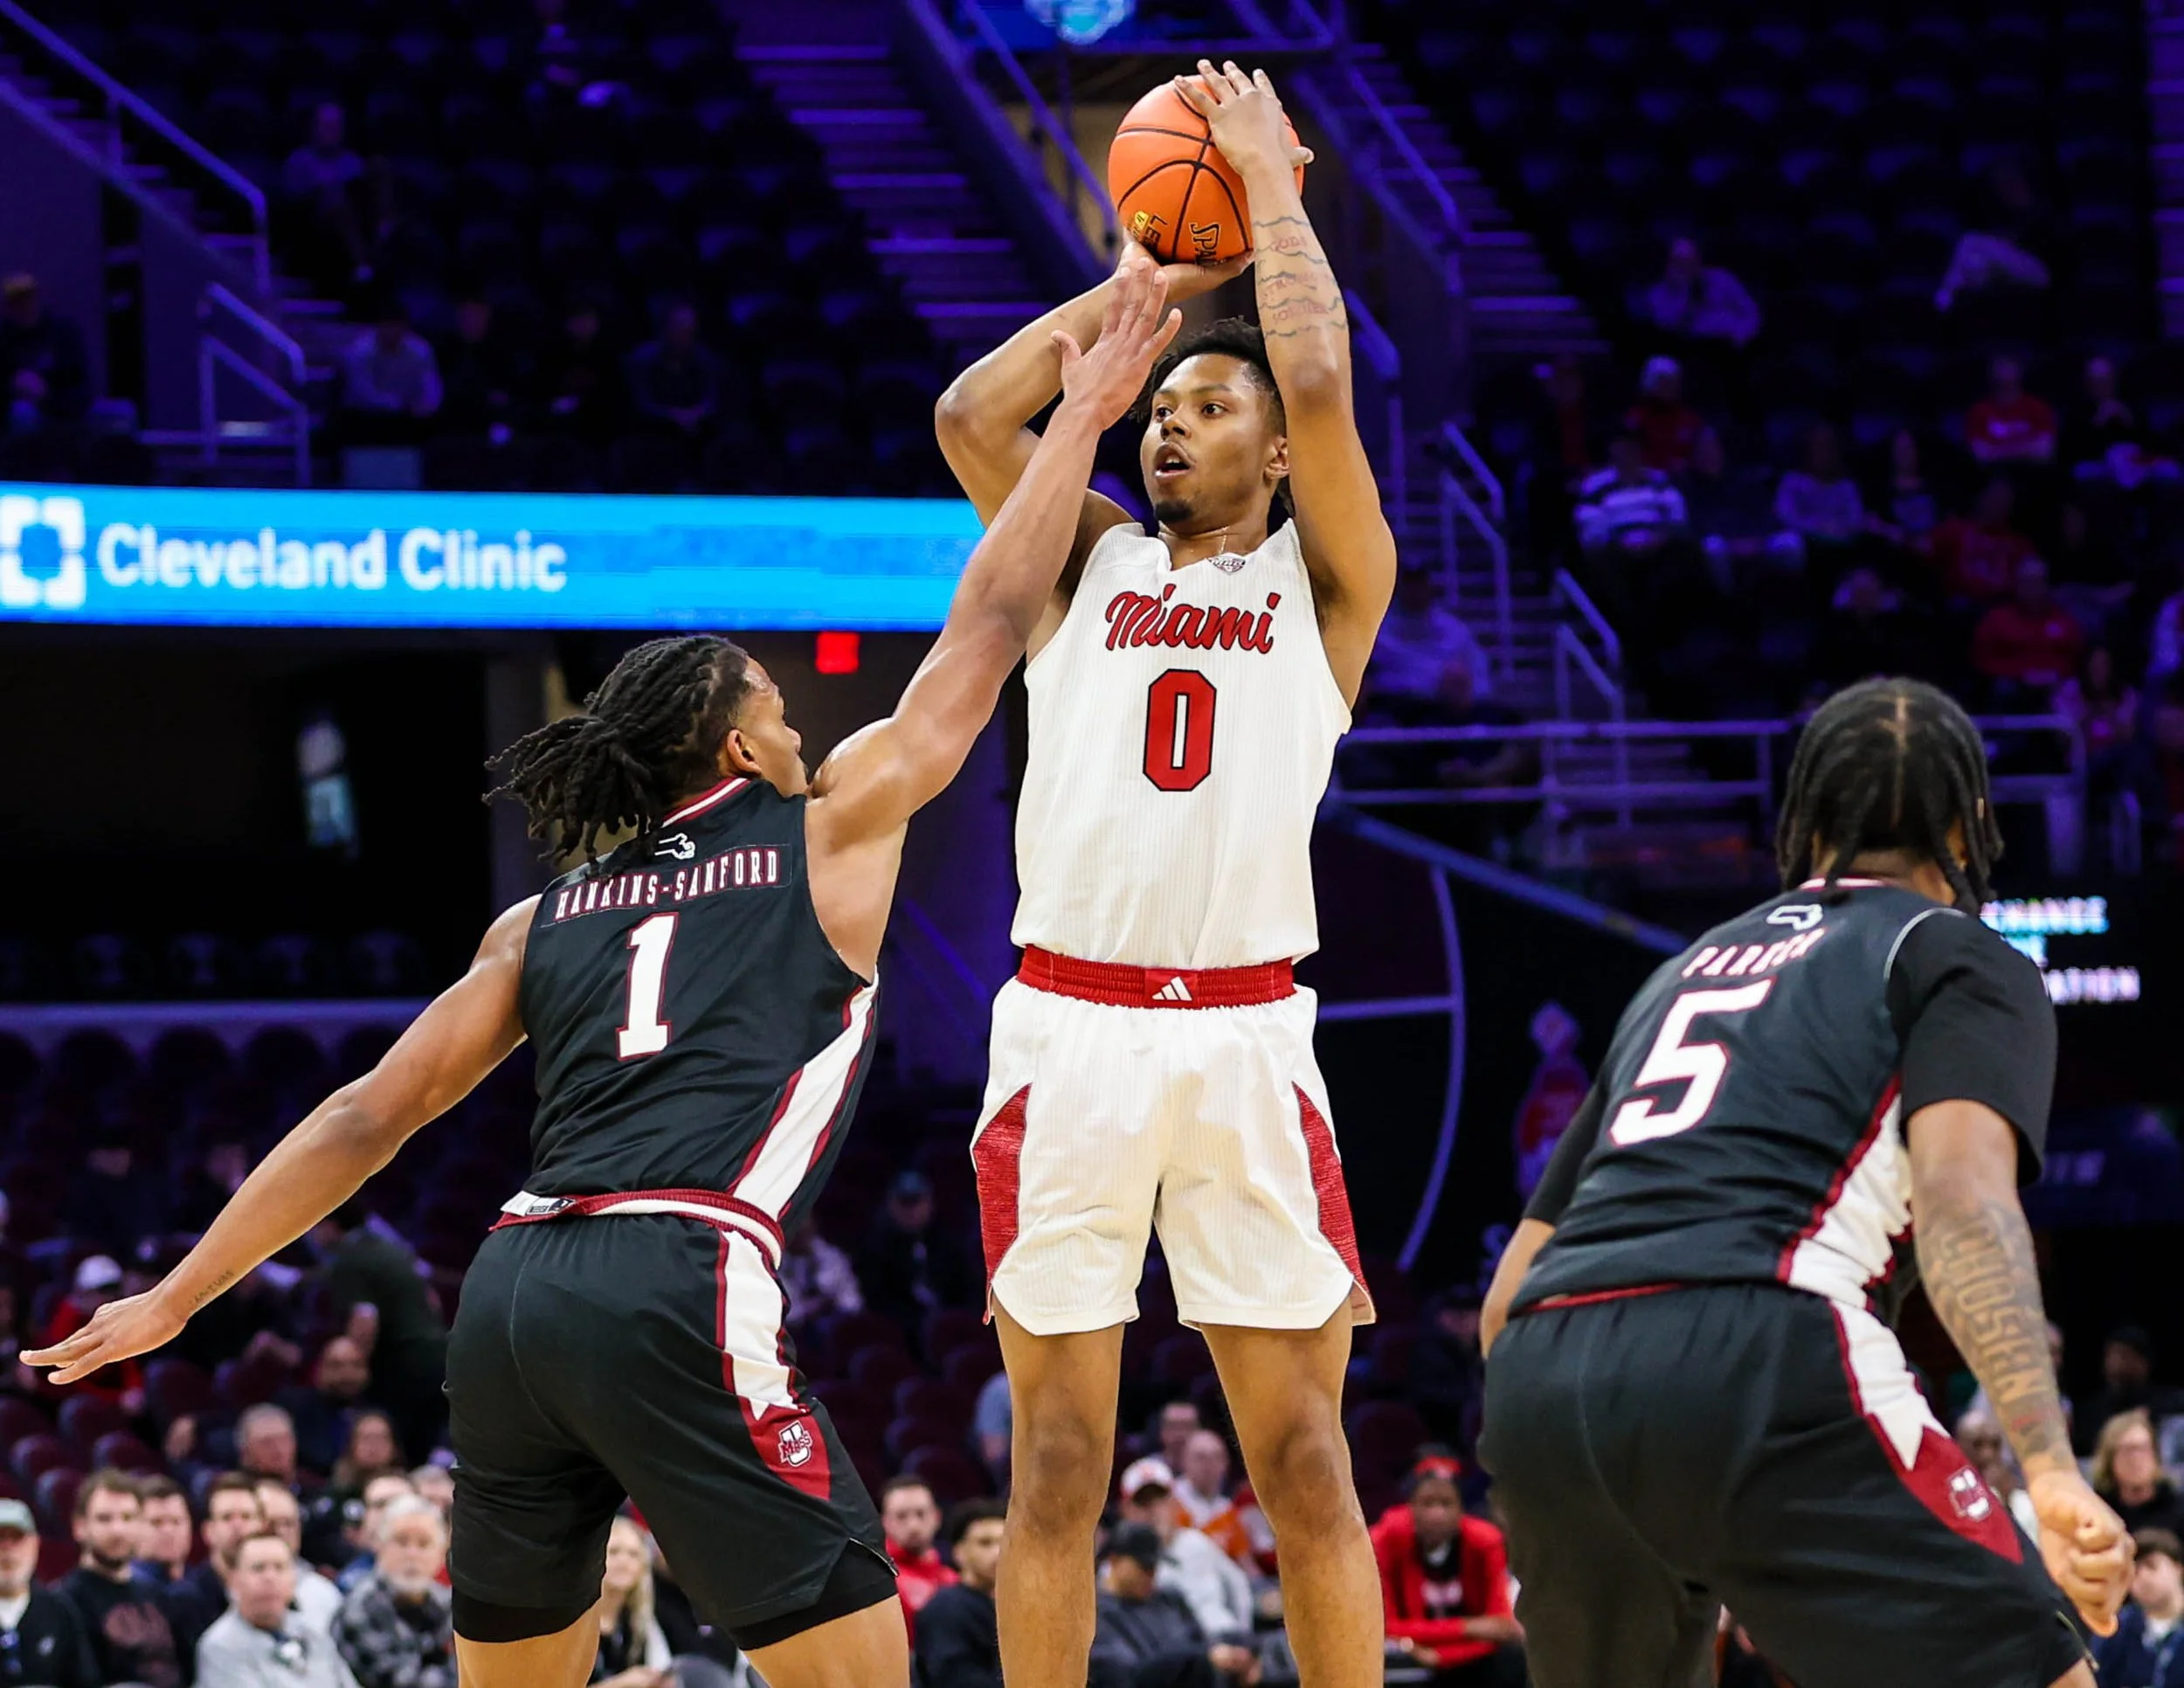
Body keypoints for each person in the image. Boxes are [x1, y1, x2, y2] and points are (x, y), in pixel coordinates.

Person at [28, 250, 1188, 1688]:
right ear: (739, 751)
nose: (799, 728)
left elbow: (362, 1117)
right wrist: (1083, 413)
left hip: (512, 1292)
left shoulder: (542, 915)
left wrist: (179, 1295)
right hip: (677, 1264)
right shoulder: (828, 830)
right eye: (778, 708)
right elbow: (995, 617)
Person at [936, 59, 1393, 1688]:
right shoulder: (1089, 555)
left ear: (1274, 462)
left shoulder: (1325, 589)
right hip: (1070, 1034)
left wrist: (1268, 196)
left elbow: (1324, 379)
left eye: (1213, 404)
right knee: (1055, 1468)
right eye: (1169, 407)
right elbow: (970, 417)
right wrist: (1141, 287)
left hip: (1250, 1035)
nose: (1176, 422)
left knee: (1313, 1469)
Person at [1479, 676, 2132, 1688]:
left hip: (1541, 1371)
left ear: (1808, 819)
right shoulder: (1953, 954)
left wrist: (1629, 1460)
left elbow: (1508, 1290)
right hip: (1758, 1342)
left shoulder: (1683, 971)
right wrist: (2047, 1469)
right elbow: (1965, 1205)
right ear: (1968, 830)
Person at [306, 1207, 447, 1465]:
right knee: (421, 1453)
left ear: (329, 1224)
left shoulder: (350, 1259)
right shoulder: (390, 1248)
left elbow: (365, 1320)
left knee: (396, 1454)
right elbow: (433, 1301)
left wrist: (352, 1369)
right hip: (438, 1360)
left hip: (401, 1369)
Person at [1369, 1454, 1522, 1686]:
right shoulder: (1386, 1540)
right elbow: (1383, 1627)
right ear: (1410, 1506)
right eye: (1428, 1503)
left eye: (1446, 1503)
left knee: (1513, 1657)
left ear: (1461, 1509)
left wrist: (1441, 1657)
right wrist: (1471, 1627)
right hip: (1410, 1658)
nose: (1437, 1514)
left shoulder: (1485, 1542)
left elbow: (1503, 1626)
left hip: (1469, 1660)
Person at [1089, 1523, 1259, 1687]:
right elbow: (1129, 1676)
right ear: (1115, 1561)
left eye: (1155, 1566)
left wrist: (1240, 1653)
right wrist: (1201, 1658)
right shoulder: (1096, 1616)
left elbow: (1205, 1640)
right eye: (1145, 1567)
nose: (1152, 1574)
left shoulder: (1168, 1599)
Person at [58, 1471, 184, 1688]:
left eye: (128, 1518)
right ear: (80, 1527)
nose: (118, 1530)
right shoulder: (65, 1602)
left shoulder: (158, 1594)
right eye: (104, 1519)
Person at [1113, 1460, 1254, 1645]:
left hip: (1227, 1636)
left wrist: (1243, 1633)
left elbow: (1238, 1585)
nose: (1154, 1511)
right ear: (1126, 1510)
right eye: (1143, 1504)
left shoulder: (1196, 1542)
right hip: (1181, 1657)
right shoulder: (1124, 1564)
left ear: (1174, 1503)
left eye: (1160, 1501)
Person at [197, 1534, 356, 1688]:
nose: (270, 1578)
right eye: (258, 1568)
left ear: (293, 1579)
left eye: (279, 1567)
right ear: (235, 1581)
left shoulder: (314, 1633)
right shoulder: (219, 1646)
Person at [332, 1497, 454, 1688]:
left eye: (424, 1544)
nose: (412, 1554)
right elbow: (398, 1682)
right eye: (402, 1542)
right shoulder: (359, 1608)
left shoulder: (449, 1604)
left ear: (441, 1552)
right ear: (379, 1546)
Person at [856, 1173, 976, 1344]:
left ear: (930, 1203)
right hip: (902, 1335)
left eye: (917, 1202)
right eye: (904, 1203)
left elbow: (967, 1289)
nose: (911, 1211)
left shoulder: (947, 1244)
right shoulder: (875, 1250)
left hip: (949, 1328)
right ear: (891, 1204)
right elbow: (878, 1301)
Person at [1365, 570, 1493, 723]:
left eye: (1419, 584)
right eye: (1410, 584)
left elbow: (1479, 676)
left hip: (1444, 709)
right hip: (1394, 708)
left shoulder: (1454, 630)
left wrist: (1466, 695)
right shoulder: (1379, 630)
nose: (1414, 591)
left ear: (1429, 586)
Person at [0, 1498, 98, 1688]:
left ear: (34, 1545)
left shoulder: (60, 1610)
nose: (7, 1549)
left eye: (16, 1538)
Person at [914, 1503, 1006, 1688]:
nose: (998, 1553)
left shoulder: (1011, 1607)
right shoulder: (945, 1609)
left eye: (1005, 1542)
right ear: (959, 1552)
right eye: (985, 1543)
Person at [1972, 557, 2085, 706]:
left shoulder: (2064, 621)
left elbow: (2076, 659)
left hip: (2055, 684)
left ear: (2047, 585)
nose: (2031, 588)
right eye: (2026, 582)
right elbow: (1982, 660)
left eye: (2037, 582)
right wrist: (2021, 674)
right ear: (2017, 585)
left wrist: (2052, 674)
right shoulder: (1996, 619)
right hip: (2012, 685)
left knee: (2071, 689)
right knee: (2002, 688)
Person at [254, 1481, 346, 1641]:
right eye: (271, 1523)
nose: (280, 1532)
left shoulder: (323, 1593)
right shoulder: (233, 1588)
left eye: (288, 1524)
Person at [2093, 1528, 2184, 1688]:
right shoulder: (2115, 1629)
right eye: (2134, 1571)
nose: (2143, 1578)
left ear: (2178, 1569)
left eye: (2152, 1566)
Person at [0, 273, 89, 433]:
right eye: (17, 302)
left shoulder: (62, 335)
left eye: (28, 299)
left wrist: (46, 394)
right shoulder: (4, 342)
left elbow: (81, 387)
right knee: (22, 414)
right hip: (14, 422)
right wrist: (14, 389)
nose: (24, 307)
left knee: (120, 412)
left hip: (62, 413)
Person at [280, 1338, 378, 1482]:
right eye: (336, 1366)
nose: (347, 1374)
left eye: (356, 1365)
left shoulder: (376, 1416)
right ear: (319, 1370)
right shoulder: (295, 1410)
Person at [340, 308, 443, 442]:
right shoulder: (360, 352)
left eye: (397, 326)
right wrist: (398, 405)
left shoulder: (420, 351)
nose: (392, 332)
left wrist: (424, 406)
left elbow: (431, 388)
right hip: (367, 416)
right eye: (388, 326)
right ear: (378, 327)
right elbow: (362, 394)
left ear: (405, 327)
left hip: (411, 417)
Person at [588, 1517, 669, 1686]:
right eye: (614, 1552)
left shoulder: (638, 1622)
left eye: (634, 1554)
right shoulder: (574, 1623)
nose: (624, 1562)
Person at [1172, 1434, 1269, 1574]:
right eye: (1200, 1457)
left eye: (1216, 1457)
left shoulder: (1227, 1510)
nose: (1208, 1465)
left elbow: (1246, 1563)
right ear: (1184, 1461)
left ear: (1225, 1464)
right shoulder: (1170, 1502)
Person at [623, 303, 722, 441]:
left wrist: (695, 413)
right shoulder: (642, 360)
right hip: (653, 430)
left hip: (698, 428)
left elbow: (711, 398)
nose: (686, 330)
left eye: (690, 326)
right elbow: (641, 403)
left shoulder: (704, 358)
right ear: (665, 328)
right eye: (680, 325)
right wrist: (673, 415)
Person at [1932, 479, 2038, 605]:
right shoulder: (1954, 530)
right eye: (1995, 496)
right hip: (1957, 607)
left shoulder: (2020, 545)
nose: (1999, 504)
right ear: (1981, 496)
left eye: (2005, 499)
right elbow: (1924, 552)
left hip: (2001, 611)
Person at [1773, 424, 1866, 567]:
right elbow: (1785, 516)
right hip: (1804, 553)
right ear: (1807, 449)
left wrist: (1836, 528)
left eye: (1827, 448)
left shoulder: (1846, 486)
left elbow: (1856, 521)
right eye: (1817, 447)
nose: (1823, 454)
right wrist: (1817, 525)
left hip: (1843, 552)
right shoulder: (1792, 481)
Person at [1643, 239, 1761, 349]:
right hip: (1690, 351)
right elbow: (1669, 330)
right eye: (1679, 262)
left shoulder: (1722, 278)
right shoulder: (1657, 294)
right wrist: (1682, 292)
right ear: (1668, 264)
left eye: (1690, 261)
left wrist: (1740, 337)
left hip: (1732, 346)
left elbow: (1751, 312)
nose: (1686, 267)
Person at [2077, 1329, 2184, 1452]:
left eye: (2123, 1356)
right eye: (2110, 1356)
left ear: (2142, 1363)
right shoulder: (2093, 1409)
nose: (2114, 1363)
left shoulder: (2168, 1402)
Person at [880, 1478, 956, 1642]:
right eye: (901, 1516)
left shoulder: (952, 1578)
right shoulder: (878, 1579)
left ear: (937, 1517)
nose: (913, 1525)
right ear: (885, 1522)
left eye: (921, 1514)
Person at [2094, 1413, 2184, 1539]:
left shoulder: (2178, 1507)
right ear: (2110, 1459)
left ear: (2156, 1456)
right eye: (2128, 1450)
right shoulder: (2097, 1509)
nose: (2136, 1459)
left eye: (2143, 1449)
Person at [1955, 1408, 2039, 1539]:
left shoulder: (2022, 1502)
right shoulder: (1948, 1498)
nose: (1988, 1455)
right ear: (1959, 1447)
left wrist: (2006, 1504)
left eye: (1995, 1445)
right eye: (1977, 1445)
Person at [1966, 356, 2058, 465]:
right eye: (2001, 369)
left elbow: (2044, 452)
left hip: (2033, 473)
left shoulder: (2038, 407)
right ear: (1991, 376)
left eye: (2009, 370)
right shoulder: (1978, 411)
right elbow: (1981, 456)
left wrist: (1996, 451)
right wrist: (2027, 449)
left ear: (2020, 373)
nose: (2005, 376)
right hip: (1992, 475)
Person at [1623, 356, 1705, 476]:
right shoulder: (1636, 419)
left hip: (1685, 482)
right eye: (1663, 382)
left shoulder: (1690, 419)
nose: (1669, 388)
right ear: (1649, 383)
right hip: (1645, 481)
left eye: (1673, 382)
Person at [778, 1221, 862, 1335]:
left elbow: (853, 1301)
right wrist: (811, 1309)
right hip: (799, 1332)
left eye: (807, 1231)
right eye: (798, 1233)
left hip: (839, 1323)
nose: (803, 1238)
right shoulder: (778, 1266)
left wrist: (830, 1305)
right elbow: (787, 1314)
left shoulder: (832, 1257)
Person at [135, 1476, 196, 1587]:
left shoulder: (203, 1587)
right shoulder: (124, 1586)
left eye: (176, 1521)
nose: (168, 1531)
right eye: (156, 1522)